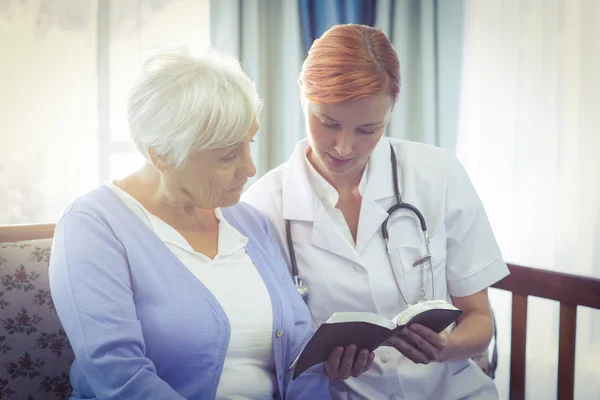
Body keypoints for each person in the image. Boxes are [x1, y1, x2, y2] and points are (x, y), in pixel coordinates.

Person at [48, 49, 374, 400]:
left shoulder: (248, 222)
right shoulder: (92, 227)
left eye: (248, 145)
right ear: (162, 154)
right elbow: (116, 374)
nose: (249, 168)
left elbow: (299, 358)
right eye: (227, 156)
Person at [242, 24, 509, 400]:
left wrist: (447, 347)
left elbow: (479, 318)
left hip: (451, 391)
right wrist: (322, 366)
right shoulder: (263, 206)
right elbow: (270, 351)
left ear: (391, 109)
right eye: (328, 123)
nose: (343, 147)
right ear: (303, 95)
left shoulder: (439, 174)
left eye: (368, 129)